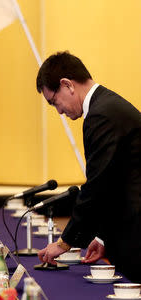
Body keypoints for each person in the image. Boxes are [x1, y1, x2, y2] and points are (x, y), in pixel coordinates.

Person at [35, 51, 141, 282]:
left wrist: (65, 242)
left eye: (55, 102)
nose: (60, 111)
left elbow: (97, 185)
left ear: (67, 84)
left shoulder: (102, 114)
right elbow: (114, 181)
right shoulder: (105, 105)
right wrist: (102, 238)